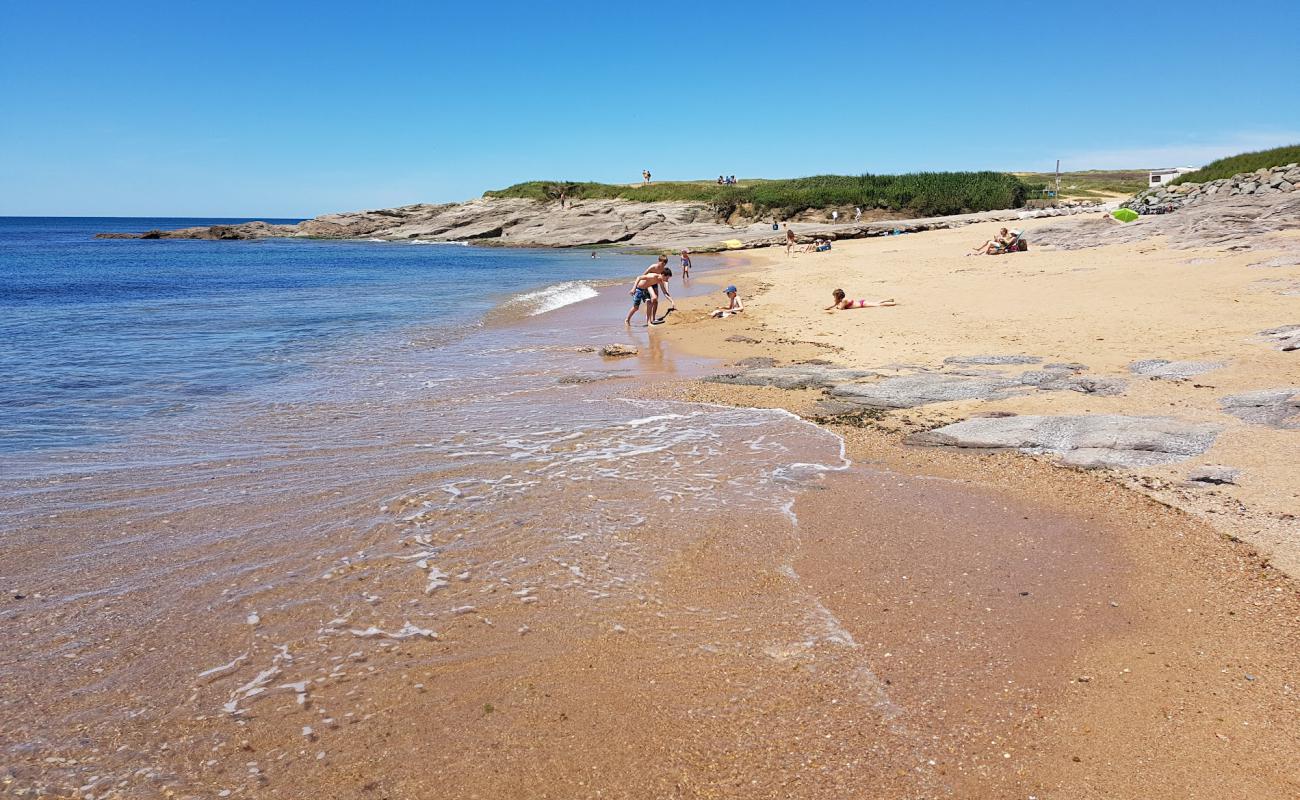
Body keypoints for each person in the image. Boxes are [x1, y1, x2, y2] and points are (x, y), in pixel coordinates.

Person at [825, 289, 897, 311]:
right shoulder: (842, 300)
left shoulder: (844, 300)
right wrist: (832, 306)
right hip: (861, 303)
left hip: (862, 304)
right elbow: (836, 305)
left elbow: (841, 308)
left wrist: (837, 305)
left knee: (878, 305)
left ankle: (893, 303)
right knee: (876, 302)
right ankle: (889, 300)